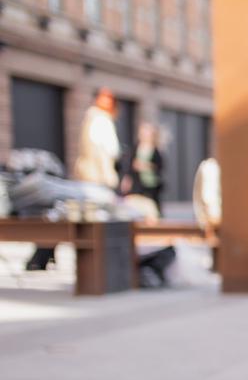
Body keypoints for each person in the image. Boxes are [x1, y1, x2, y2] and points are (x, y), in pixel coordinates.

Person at [28, 87, 121, 271]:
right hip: (97, 181)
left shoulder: (90, 118)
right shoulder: (101, 120)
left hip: (88, 178)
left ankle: (42, 258)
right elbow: (111, 150)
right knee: (95, 220)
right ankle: (98, 269)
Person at [123, 122, 165, 213]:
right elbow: (129, 166)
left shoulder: (155, 149)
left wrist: (146, 166)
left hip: (151, 184)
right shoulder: (135, 148)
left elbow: (160, 166)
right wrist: (127, 179)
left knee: (153, 205)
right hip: (138, 183)